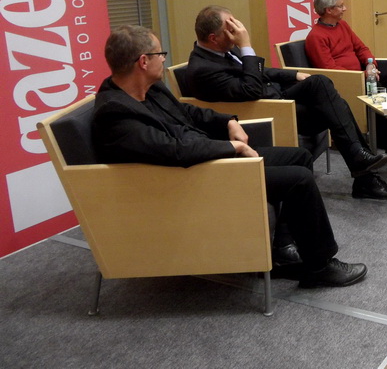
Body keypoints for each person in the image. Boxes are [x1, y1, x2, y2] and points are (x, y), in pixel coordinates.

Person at [91, 25, 367, 288]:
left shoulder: (149, 88)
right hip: (186, 179)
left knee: (300, 157)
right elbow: (174, 151)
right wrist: (232, 148)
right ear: (143, 61)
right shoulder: (116, 112)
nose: (163, 59)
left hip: (205, 160)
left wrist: (228, 121)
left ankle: (283, 248)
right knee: (299, 179)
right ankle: (320, 267)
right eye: (159, 54)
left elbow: (187, 113)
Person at [185, 5, 387, 200]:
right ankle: (364, 174)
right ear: (213, 38)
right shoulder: (202, 69)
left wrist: (293, 74)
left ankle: (363, 169)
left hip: (276, 97)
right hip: (268, 111)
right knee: (334, 105)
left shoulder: (224, 50)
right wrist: (246, 46)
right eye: (230, 28)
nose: (237, 31)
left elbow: (260, 72)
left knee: (323, 89)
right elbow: (251, 89)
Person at [305, 0, 387, 169]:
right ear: (329, 10)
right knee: (378, 101)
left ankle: (383, 131)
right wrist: (362, 76)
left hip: (363, 78)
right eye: (341, 6)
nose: (345, 9)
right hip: (346, 85)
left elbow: (361, 48)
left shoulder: (343, 26)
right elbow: (330, 69)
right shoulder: (316, 36)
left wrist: (370, 65)